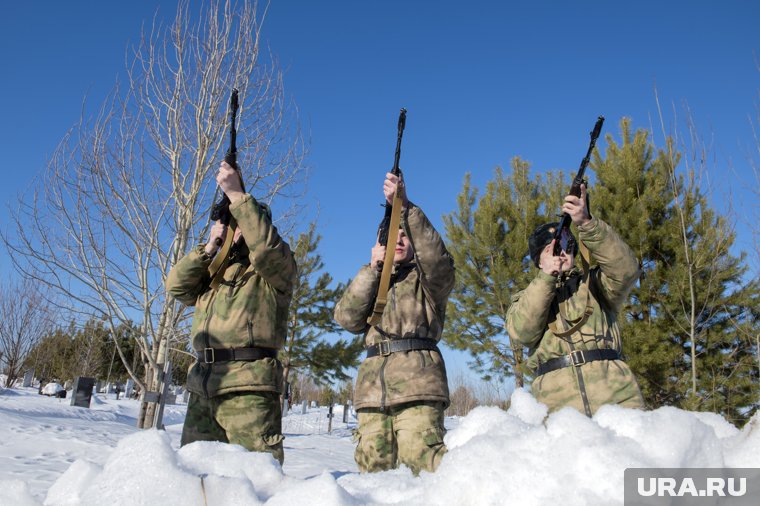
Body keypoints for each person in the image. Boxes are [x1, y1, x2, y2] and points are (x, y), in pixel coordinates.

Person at [166, 160, 296, 464]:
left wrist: (237, 196)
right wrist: (210, 246)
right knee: (193, 477)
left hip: (248, 390)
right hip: (203, 386)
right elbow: (176, 287)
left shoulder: (273, 270)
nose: (232, 227)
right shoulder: (213, 271)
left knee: (254, 481)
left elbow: (265, 248)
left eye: (237, 222)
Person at [334, 172, 455, 474]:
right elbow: (347, 318)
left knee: (423, 467)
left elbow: (437, 260)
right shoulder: (373, 279)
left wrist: (405, 207)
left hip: (418, 388)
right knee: (373, 476)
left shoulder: (427, 281)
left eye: (403, 236)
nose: (398, 240)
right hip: (372, 394)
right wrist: (373, 269)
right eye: (391, 236)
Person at [506, 184, 644, 417]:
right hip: (559, 411)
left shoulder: (594, 285)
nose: (562, 252)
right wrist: (547, 278)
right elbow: (522, 332)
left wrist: (586, 223)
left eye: (567, 246)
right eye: (552, 249)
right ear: (538, 260)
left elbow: (627, 271)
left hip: (617, 402)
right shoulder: (527, 297)